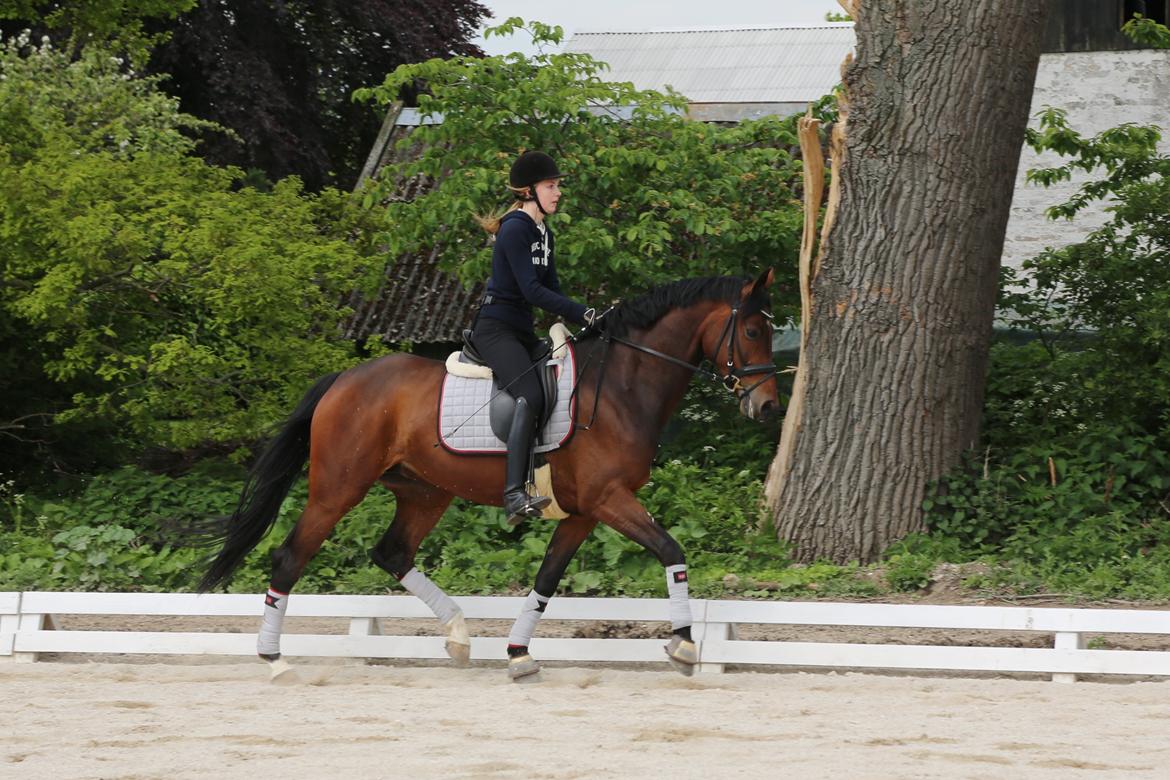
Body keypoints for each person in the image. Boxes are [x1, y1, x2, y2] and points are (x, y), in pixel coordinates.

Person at [471, 150, 600, 524]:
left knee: (561, 380)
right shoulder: (515, 228)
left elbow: (553, 290)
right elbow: (531, 291)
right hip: (496, 330)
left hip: (522, 333)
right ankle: (514, 494)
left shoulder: (545, 232)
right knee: (529, 393)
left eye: (557, 186)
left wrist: (589, 321)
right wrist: (582, 311)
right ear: (529, 191)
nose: (558, 193)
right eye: (551, 186)